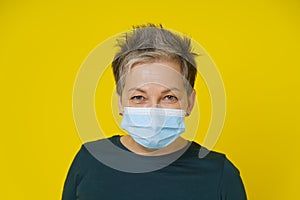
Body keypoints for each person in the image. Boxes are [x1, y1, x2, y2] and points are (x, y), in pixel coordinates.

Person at [62, 24, 247, 200]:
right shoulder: (90, 160)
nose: (153, 112)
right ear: (120, 102)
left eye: (169, 97)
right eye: (138, 97)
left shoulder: (219, 174)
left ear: (190, 102)